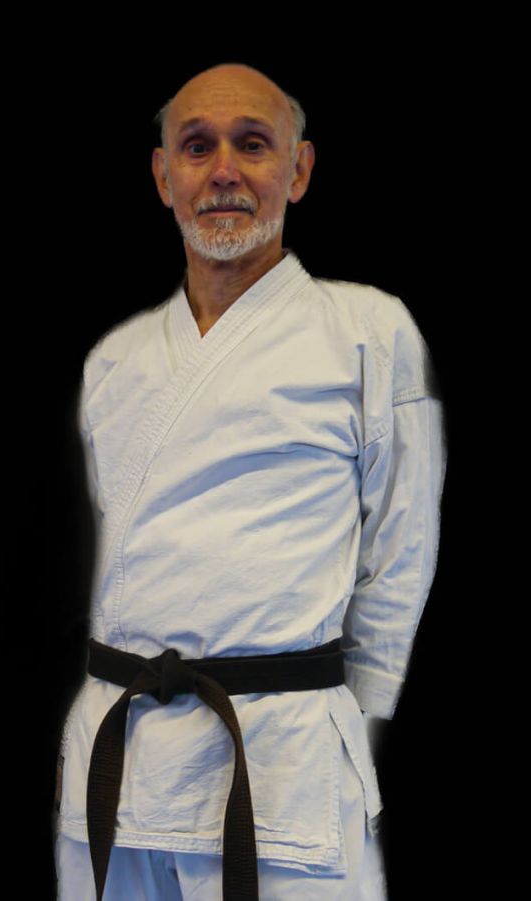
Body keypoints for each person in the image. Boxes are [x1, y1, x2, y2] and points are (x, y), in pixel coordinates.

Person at [53, 61, 448, 900]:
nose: (224, 170)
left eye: (253, 144)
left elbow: (402, 545)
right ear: (164, 176)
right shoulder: (113, 360)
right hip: (119, 763)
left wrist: (350, 713)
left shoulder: (369, 332)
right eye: (197, 147)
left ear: (298, 170)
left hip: (281, 761)